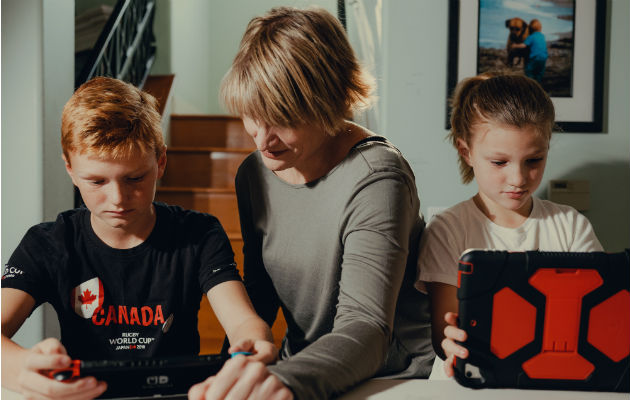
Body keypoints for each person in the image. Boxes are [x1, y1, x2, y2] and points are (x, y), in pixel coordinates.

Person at [189, 6, 434, 400]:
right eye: (254, 114)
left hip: (389, 377)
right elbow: (260, 294)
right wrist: (230, 370)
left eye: (283, 118)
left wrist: (286, 380)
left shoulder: (376, 176)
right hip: (304, 368)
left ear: (330, 102)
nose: (262, 139)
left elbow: (366, 327)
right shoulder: (254, 173)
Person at [1, 77, 277, 400]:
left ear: (160, 162)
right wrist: (22, 370)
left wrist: (254, 347)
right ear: (70, 169)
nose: (118, 198)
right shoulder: (48, 243)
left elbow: (244, 322)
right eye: (97, 181)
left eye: (135, 178)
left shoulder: (198, 235)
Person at [415, 73, 603, 378]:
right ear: (467, 152)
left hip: (555, 377)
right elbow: (443, 335)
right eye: (500, 162)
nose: (518, 179)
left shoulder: (571, 226)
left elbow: (595, 316)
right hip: (468, 382)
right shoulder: (448, 229)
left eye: (534, 160)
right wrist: (452, 343)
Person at [511, 19, 548, 83]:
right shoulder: (542, 36)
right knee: (539, 73)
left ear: (530, 29)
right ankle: (538, 85)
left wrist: (515, 45)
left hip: (535, 57)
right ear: (540, 28)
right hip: (544, 57)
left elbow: (523, 45)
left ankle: (530, 84)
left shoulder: (531, 37)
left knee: (529, 71)